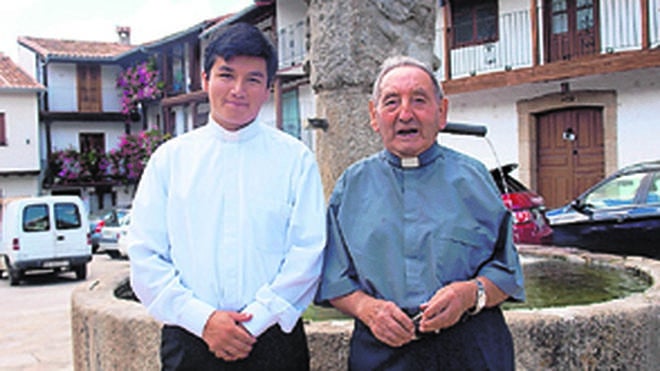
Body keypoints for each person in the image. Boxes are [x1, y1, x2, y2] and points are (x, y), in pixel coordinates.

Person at [128, 22, 326, 371]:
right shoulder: (170, 162)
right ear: (205, 80)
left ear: (267, 89)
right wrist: (203, 320)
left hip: (273, 343)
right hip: (190, 340)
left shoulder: (295, 160)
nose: (238, 89)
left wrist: (255, 319)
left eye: (252, 79)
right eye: (226, 75)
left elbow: (308, 252)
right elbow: (145, 256)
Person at [315, 55, 525, 370]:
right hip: (383, 351)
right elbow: (334, 278)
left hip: (471, 349)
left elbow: (507, 273)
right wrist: (368, 309)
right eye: (391, 102)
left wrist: (468, 294)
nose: (405, 114)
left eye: (419, 100)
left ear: (442, 112)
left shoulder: (474, 179)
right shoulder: (352, 186)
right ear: (374, 116)